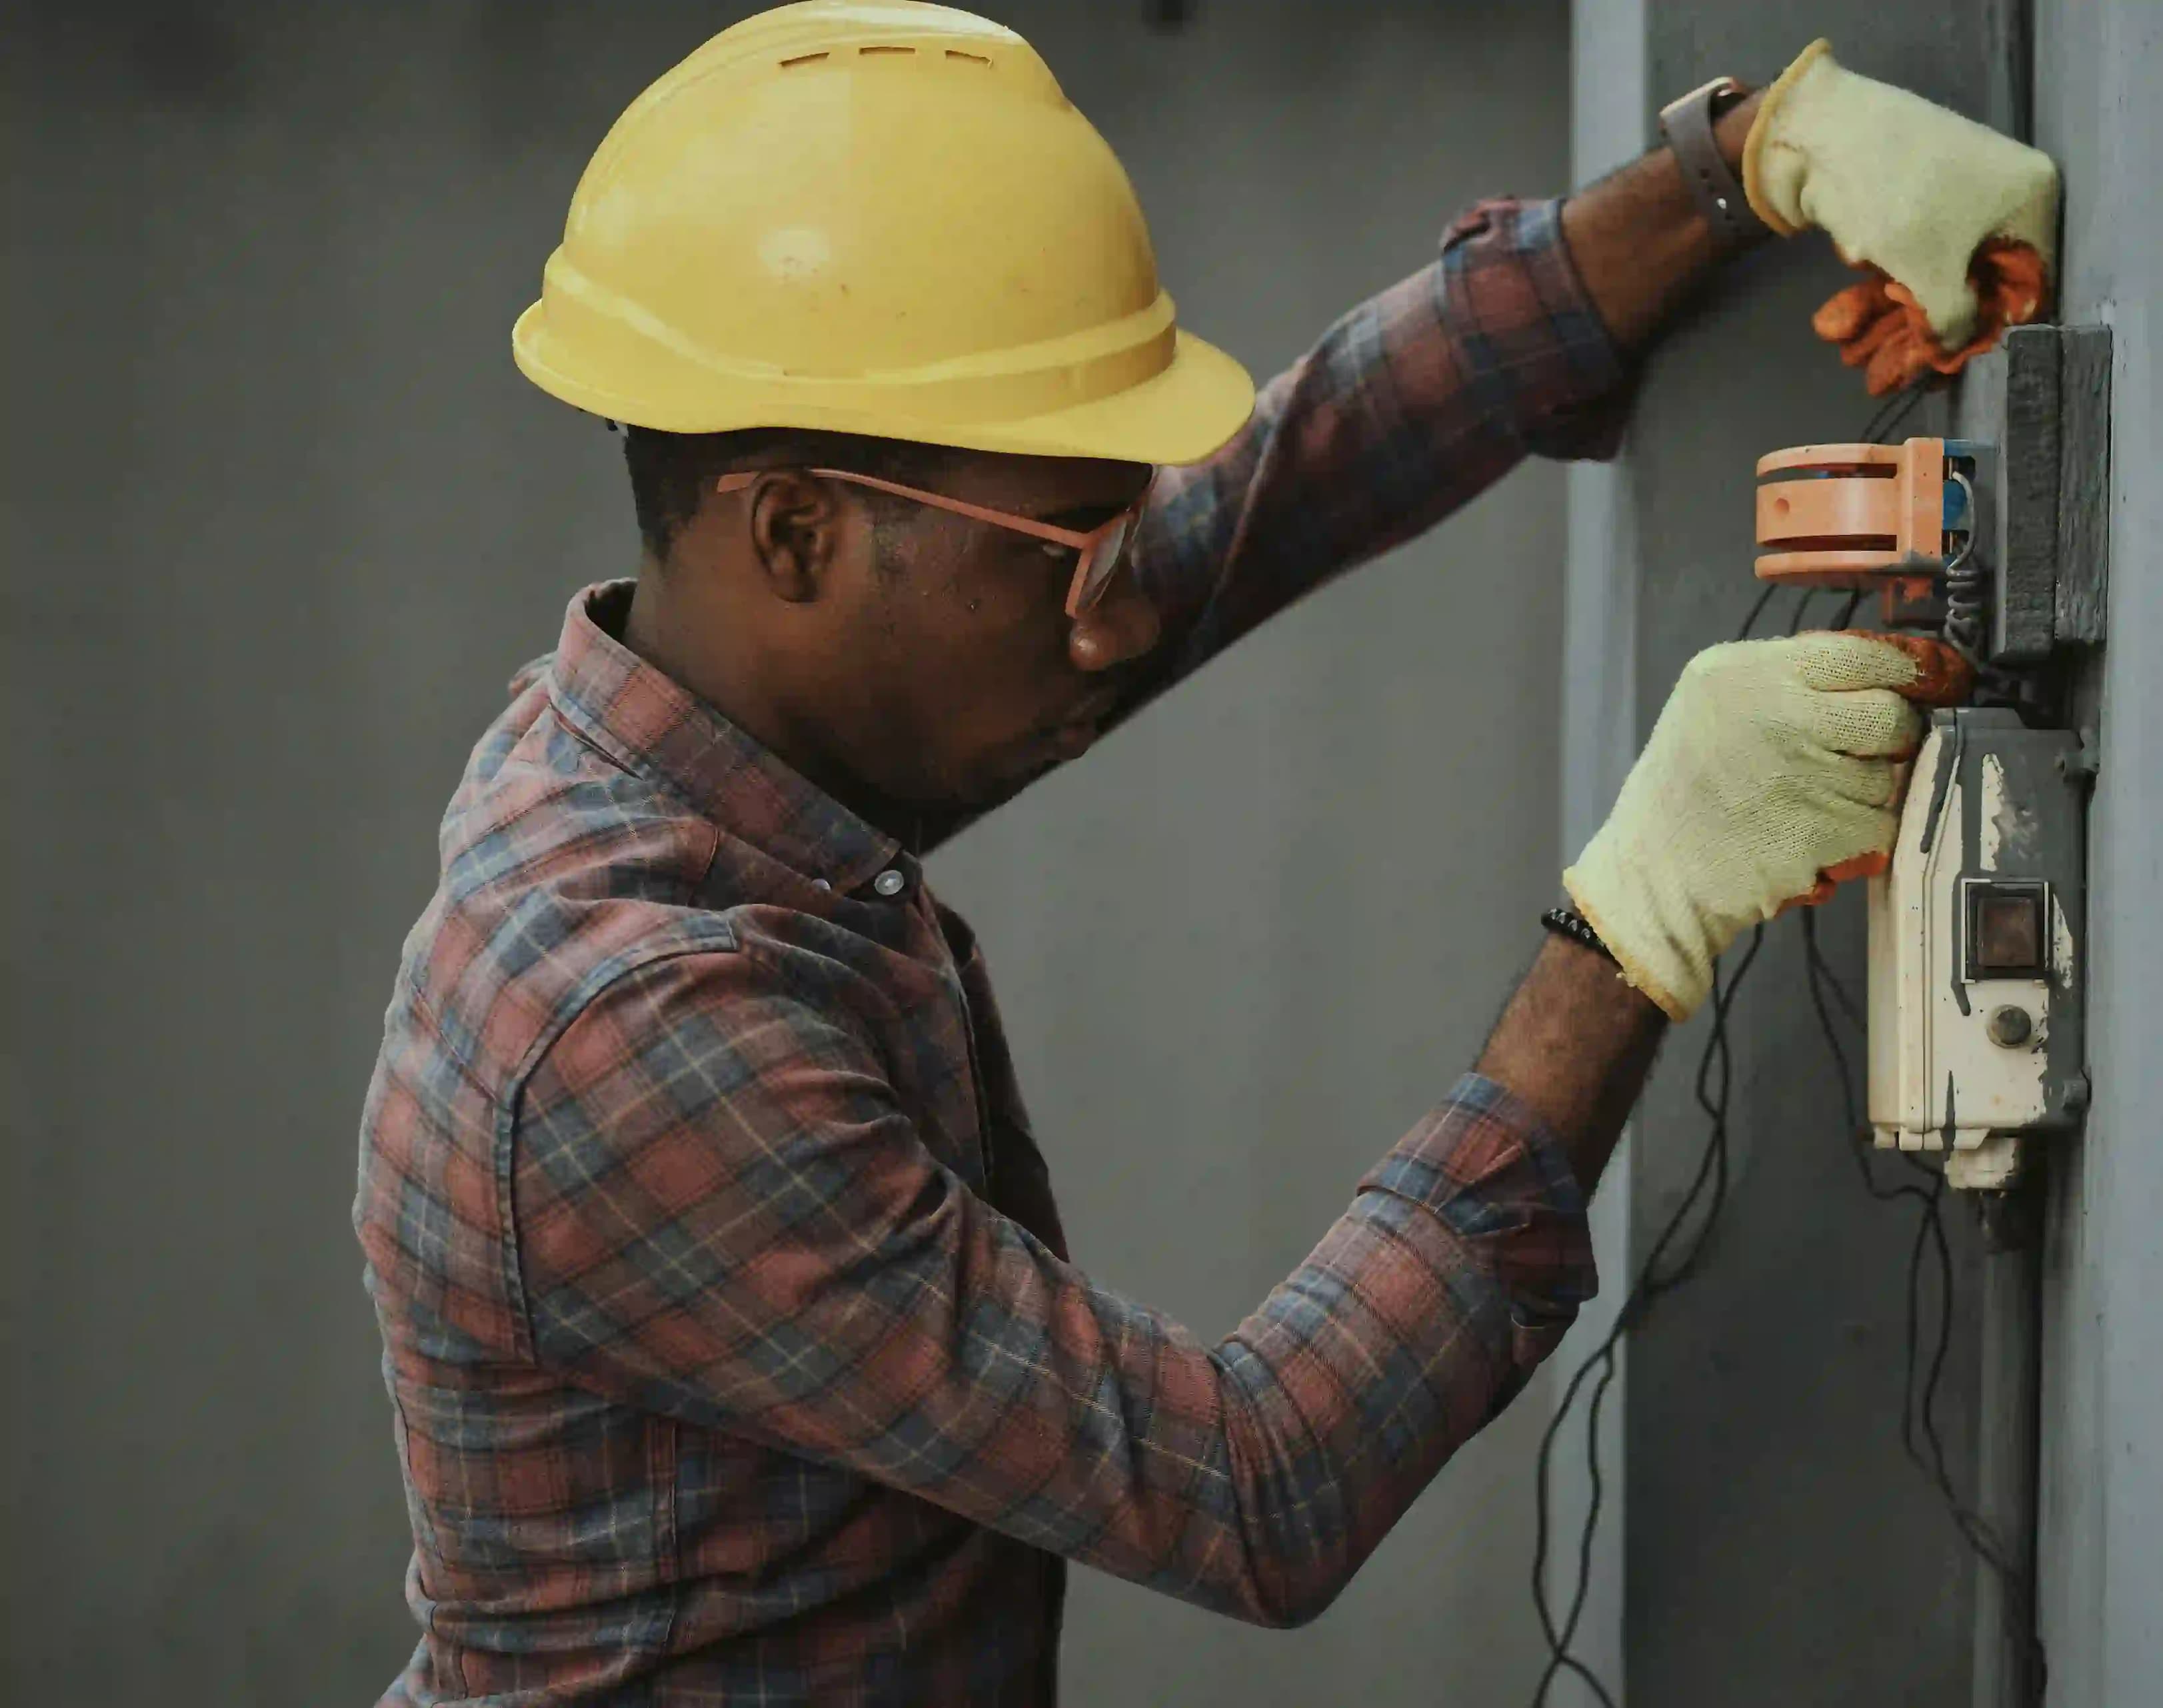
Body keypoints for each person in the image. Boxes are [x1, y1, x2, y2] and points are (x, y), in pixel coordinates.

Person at [352, 6, 2059, 1703]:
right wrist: (1633, 920)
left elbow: (1283, 483)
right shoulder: (633, 1028)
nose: (1111, 622)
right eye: (1069, 555)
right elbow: (1255, 1485)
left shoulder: (699, 734)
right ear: (797, 530)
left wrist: (1739, 165)